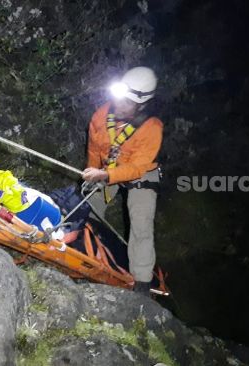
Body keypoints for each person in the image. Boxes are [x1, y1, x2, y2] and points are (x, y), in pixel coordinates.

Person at [81, 66, 163, 295]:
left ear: (141, 104)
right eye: (120, 99)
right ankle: (88, 247)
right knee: (91, 205)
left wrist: (107, 175)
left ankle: (142, 282)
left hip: (141, 174)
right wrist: (93, 173)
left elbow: (138, 167)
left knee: (141, 223)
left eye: (128, 102)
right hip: (108, 169)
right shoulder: (101, 115)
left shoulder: (152, 128)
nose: (120, 106)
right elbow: (94, 149)